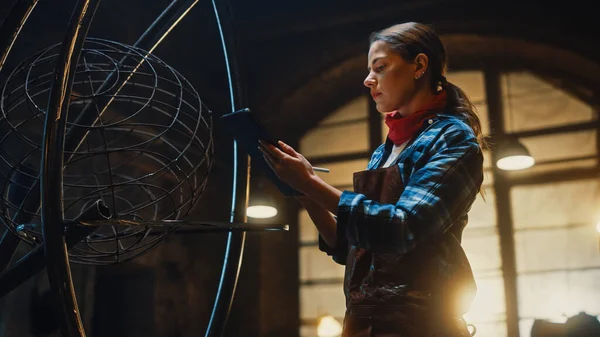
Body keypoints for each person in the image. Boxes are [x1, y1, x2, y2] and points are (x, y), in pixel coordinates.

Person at [259, 22, 484, 337]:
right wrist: (302, 192)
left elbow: (401, 228)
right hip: (365, 325)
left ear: (419, 65)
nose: (368, 80)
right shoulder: (384, 151)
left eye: (380, 67)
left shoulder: (451, 137)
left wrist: (312, 183)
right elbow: (353, 248)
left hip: (421, 326)